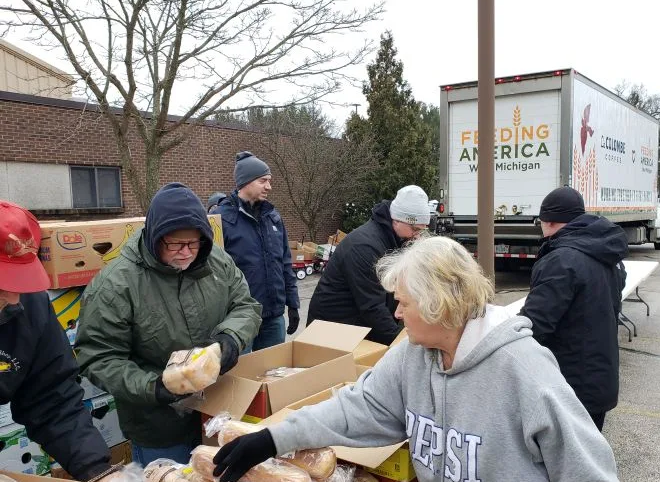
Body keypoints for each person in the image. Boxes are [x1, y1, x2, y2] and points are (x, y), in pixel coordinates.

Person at [213, 235, 622, 482]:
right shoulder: (412, 354)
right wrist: (272, 438)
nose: (395, 311)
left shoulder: (523, 370)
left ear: (437, 305)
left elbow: (589, 480)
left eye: (403, 302)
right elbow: (357, 408)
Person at [76, 183, 261, 465]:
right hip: (158, 426)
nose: (186, 252)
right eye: (175, 243)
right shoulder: (116, 285)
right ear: (154, 237)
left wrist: (230, 339)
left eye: (194, 242)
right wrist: (155, 387)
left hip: (219, 411)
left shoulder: (215, 261)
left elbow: (245, 305)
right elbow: (98, 358)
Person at [520, 187, 627, 482]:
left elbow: (537, 326)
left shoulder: (561, 259)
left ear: (547, 221)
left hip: (570, 385)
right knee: (588, 473)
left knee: (562, 477)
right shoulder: (607, 252)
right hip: (599, 378)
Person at [0, 201, 112, 482]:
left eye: (18, 281)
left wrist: (94, 468)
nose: (12, 298)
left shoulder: (26, 304)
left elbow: (51, 397)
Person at [307, 185, 431, 344]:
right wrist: (405, 344)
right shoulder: (364, 247)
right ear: (397, 219)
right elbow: (372, 307)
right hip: (331, 332)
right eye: (414, 229)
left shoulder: (396, 240)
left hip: (357, 327)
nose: (417, 236)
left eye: (421, 230)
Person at [215, 152, 300, 350]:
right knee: (241, 377)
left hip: (273, 315)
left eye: (269, 181)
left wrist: (293, 303)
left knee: (273, 374)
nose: (269, 187)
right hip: (238, 319)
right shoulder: (221, 220)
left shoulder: (273, 218)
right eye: (263, 181)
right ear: (246, 182)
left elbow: (285, 263)